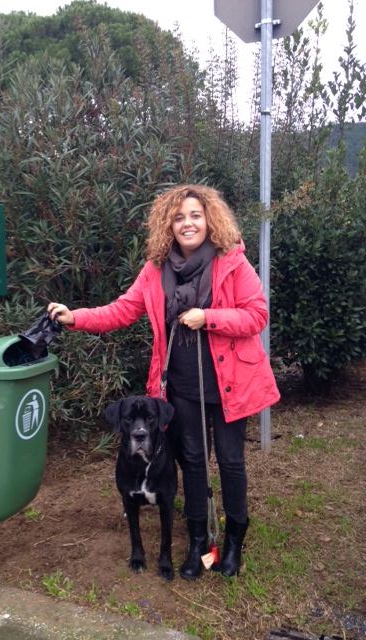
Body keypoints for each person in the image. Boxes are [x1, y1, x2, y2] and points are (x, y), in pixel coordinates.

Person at [48, 184, 280, 580]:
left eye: (195, 215)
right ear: (167, 226)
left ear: (210, 220)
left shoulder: (233, 263)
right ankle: (195, 545)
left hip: (231, 384)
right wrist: (77, 317)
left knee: (230, 461)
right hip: (183, 386)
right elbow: (122, 309)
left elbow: (257, 315)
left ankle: (234, 543)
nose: (188, 223)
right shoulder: (156, 270)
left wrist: (210, 317)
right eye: (179, 217)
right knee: (191, 461)